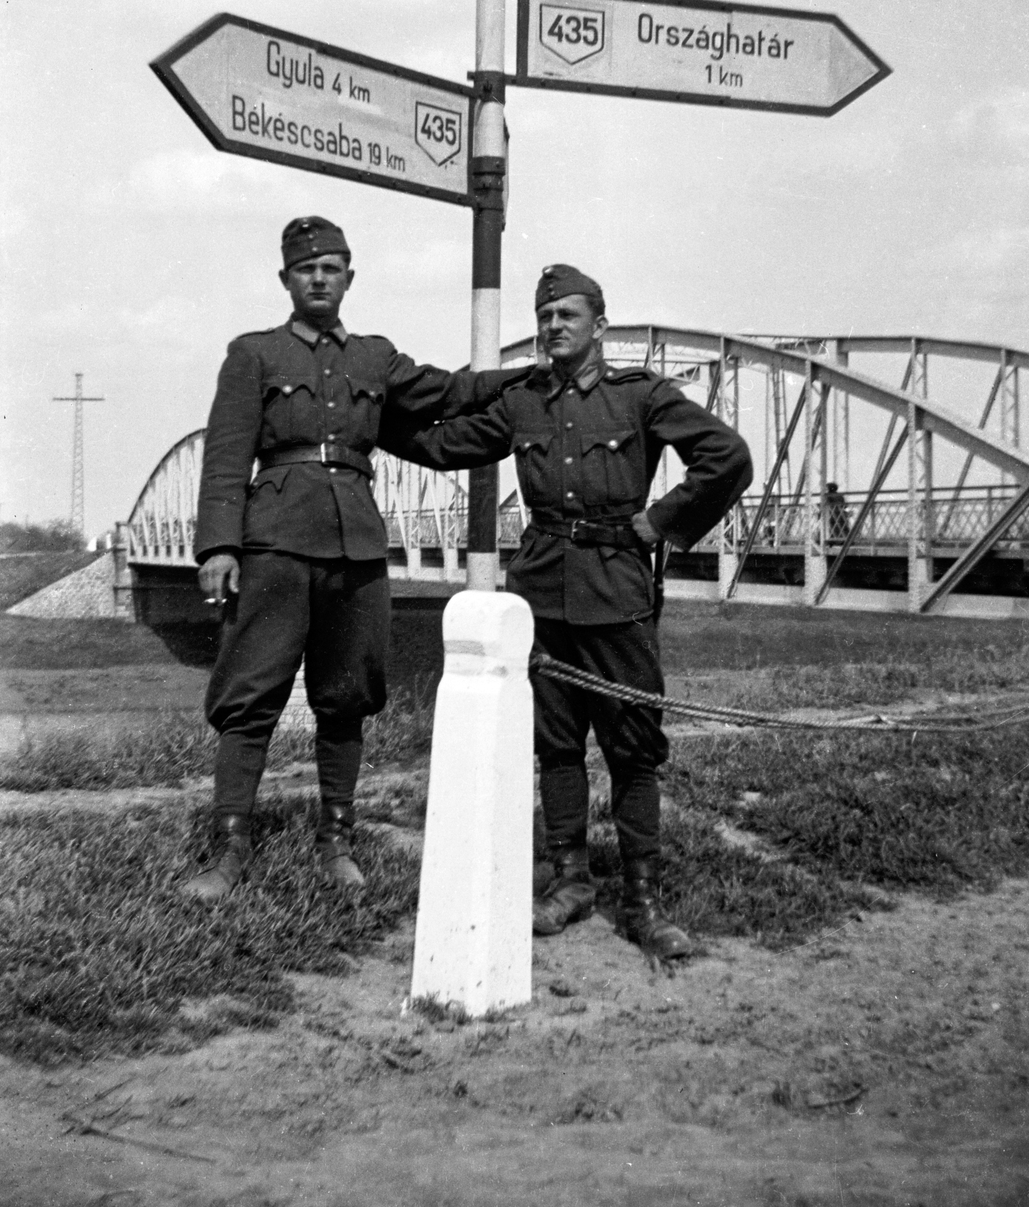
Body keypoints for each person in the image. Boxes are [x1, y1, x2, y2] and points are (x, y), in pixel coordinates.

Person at [394, 264, 753, 959]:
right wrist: (364, 426)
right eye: (544, 314)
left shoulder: (638, 396)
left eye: (566, 314)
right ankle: (569, 880)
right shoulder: (524, 403)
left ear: (599, 326)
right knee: (555, 744)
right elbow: (443, 445)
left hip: (616, 590)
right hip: (541, 593)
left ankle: (643, 900)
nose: (552, 325)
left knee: (632, 749)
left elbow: (725, 456)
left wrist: (662, 523)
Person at [184, 215, 522, 902]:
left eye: (331, 268)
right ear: (286, 279)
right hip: (273, 542)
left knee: (346, 697)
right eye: (306, 269)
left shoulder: (375, 357)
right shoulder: (252, 354)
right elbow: (225, 456)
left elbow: (447, 397)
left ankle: (336, 839)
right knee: (251, 698)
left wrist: (527, 383)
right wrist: (219, 546)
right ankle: (229, 849)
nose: (318, 278)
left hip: (358, 546)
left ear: (348, 278)